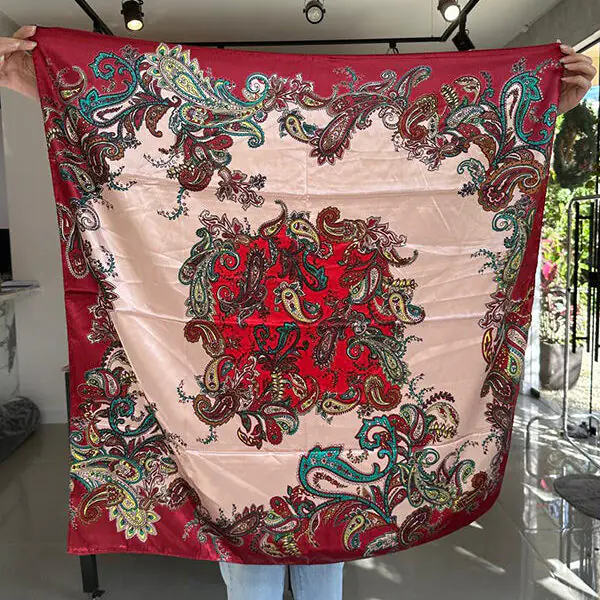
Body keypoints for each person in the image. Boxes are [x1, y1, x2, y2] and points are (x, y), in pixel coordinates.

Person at [0, 23, 596, 600]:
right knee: (254, 577)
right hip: (247, 438)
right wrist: (42, 80)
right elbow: (132, 155)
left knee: (321, 565)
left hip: (329, 426)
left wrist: (548, 105)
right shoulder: (243, 228)